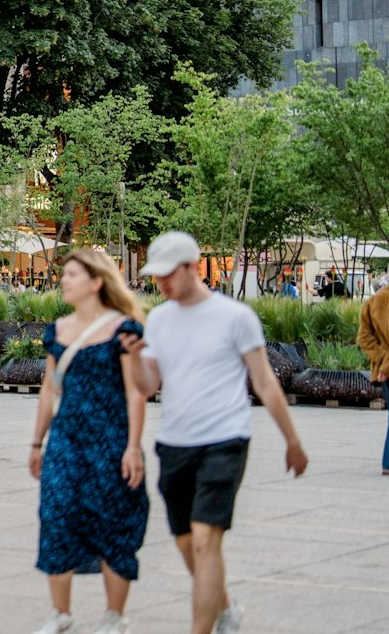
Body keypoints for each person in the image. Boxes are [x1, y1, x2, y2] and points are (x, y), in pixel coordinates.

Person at [120, 232, 307, 634]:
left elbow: (265, 382)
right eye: (156, 277)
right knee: (188, 544)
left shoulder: (235, 317)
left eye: (168, 275)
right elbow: (147, 385)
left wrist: (292, 440)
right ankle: (224, 607)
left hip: (225, 439)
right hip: (174, 443)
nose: (161, 284)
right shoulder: (160, 319)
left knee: (206, 539)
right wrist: (135, 357)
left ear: (193, 267)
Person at [28, 251, 148, 634]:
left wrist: (133, 446)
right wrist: (37, 442)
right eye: (63, 274)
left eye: (72, 274)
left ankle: (114, 615)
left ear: (96, 282)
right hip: (67, 439)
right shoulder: (58, 329)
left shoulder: (122, 329)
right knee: (56, 516)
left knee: (113, 520)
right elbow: (49, 389)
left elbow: (135, 393)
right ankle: (59, 613)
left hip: (111, 439)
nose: (64, 280)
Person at [357, 274, 389, 475]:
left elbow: (363, 338)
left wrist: (381, 362)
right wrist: (387, 366)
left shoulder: (373, 301)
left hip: (383, 371)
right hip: (387, 370)